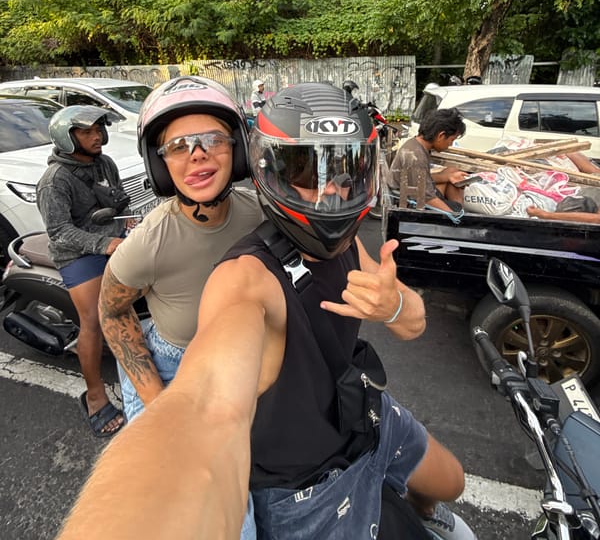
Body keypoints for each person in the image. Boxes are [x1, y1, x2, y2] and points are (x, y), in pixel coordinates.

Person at [57, 82, 474, 540]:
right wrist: (160, 404)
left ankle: (424, 511)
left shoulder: (272, 214)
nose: (329, 192)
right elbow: (208, 402)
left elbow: (412, 320)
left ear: (239, 154)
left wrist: (395, 305)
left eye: (345, 171)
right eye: (305, 171)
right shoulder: (179, 254)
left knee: (452, 481)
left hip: (354, 404)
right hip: (186, 361)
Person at [98, 76, 264, 423]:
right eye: (178, 146)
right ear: (161, 167)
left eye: (213, 139)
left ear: (238, 151)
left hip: (249, 357)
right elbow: (112, 312)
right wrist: (158, 404)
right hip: (176, 368)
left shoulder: (260, 214)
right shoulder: (149, 240)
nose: (198, 153)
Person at [36, 105, 131, 437]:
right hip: (76, 253)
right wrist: (103, 245)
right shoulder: (55, 181)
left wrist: (128, 218)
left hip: (113, 241)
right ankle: (94, 396)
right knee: (93, 321)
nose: (97, 137)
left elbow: (119, 200)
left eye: (98, 130)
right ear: (67, 136)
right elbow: (59, 232)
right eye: (87, 132)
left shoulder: (104, 163)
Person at [387, 107, 470, 213]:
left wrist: (449, 176)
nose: (451, 145)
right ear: (441, 135)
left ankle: (458, 209)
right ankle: (459, 214)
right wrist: (455, 216)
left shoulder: (417, 144)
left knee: (452, 172)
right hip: (411, 204)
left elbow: (421, 178)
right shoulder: (416, 157)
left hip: (412, 193)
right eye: (451, 140)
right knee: (456, 209)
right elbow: (427, 199)